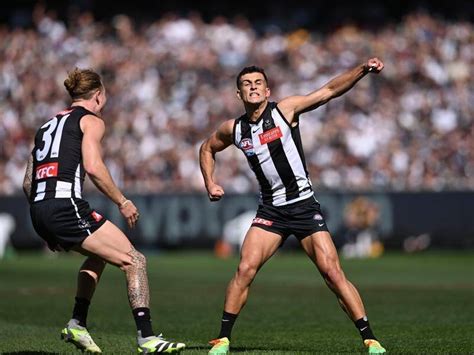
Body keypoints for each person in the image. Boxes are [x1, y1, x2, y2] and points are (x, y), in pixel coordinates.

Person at [199, 59, 387, 354]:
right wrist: (209, 182)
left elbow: (329, 91)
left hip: (302, 206)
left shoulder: (284, 110)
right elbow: (207, 147)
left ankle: (370, 339)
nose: (253, 87)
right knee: (245, 268)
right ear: (239, 94)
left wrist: (362, 70)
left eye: (258, 83)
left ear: (267, 89)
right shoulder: (234, 129)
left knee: (333, 273)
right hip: (270, 211)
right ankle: (222, 339)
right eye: (246, 84)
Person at [22, 68, 185, 354]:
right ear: (98, 95)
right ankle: (147, 339)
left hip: (39, 208)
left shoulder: (45, 127)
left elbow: (28, 182)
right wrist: (123, 201)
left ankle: (77, 323)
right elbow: (94, 167)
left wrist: (44, 221)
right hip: (65, 205)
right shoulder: (91, 121)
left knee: (99, 256)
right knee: (135, 260)